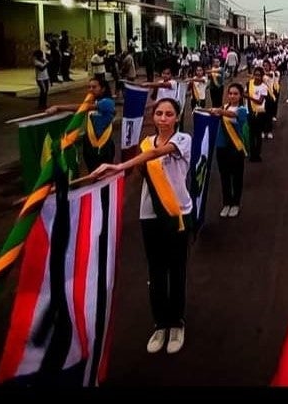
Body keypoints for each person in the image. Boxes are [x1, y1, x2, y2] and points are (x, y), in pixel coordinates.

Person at [92, 98, 192, 355]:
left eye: (169, 114)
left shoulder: (183, 141)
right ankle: (161, 324)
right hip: (149, 215)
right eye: (158, 113)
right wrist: (110, 177)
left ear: (177, 118)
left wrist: (120, 164)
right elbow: (140, 176)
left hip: (178, 213)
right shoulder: (146, 143)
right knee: (156, 271)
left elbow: (157, 154)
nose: (162, 118)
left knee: (176, 269)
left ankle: (176, 323)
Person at [46, 77, 117, 173]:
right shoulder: (94, 101)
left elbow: (82, 108)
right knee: (92, 173)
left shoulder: (108, 102)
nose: (90, 90)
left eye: (94, 87)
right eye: (89, 87)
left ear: (103, 89)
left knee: (104, 176)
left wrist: (59, 107)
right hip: (89, 145)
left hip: (104, 146)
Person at [209, 83, 249, 218]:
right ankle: (227, 203)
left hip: (235, 147)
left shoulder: (242, 109)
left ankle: (236, 204)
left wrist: (219, 111)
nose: (232, 96)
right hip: (221, 146)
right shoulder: (224, 107)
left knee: (236, 176)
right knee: (224, 175)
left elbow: (235, 116)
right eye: (230, 93)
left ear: (240, 95)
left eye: (235, 93)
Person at [246, 67, 269, 162]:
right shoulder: (249, 84)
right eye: (255, 75)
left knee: (258, 135)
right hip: (250, 112)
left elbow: (260, 101)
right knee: (251, 135)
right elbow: (244, 94)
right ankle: (252, 154)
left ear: (262, 76)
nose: (257, 77)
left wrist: (249, 97)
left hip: (260, 113)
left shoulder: (264, 87)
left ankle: (257, 154)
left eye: (259, 75)